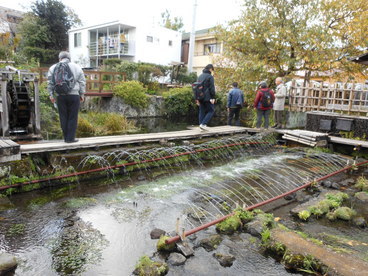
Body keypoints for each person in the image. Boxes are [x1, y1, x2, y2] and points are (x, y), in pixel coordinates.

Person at [47, 51, 86, 143]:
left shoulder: (53, 68)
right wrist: (82, 94)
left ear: (59, 58)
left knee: (63, 116)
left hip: (60, 96)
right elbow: (82, 82)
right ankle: (70, 138)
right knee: (73, 116)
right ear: (69, 58)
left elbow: (50, 83)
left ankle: (65, 138)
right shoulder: (77, 67)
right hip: (74, 95)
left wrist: (51, 94)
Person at [196, 64, 216, 131]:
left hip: (200, 96)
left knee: (202, 111)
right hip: (207, 97)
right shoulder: (210, 77)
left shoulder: (200, 76)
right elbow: (212, 88)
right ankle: (203, 124)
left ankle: (201, 125)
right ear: (210, 69)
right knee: (211, 110)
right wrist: (213, 97)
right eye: (212, 70)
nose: (212, 71)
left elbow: (196, 87)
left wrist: (197, 98)